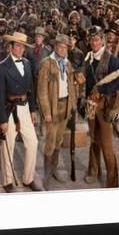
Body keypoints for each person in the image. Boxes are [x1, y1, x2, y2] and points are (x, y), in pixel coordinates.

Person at [0, 31, 44, 192]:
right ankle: (8, 180)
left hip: (25, 107)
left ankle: (28, 178)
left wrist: (33, 109)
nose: (21, 49)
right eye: (18, 45)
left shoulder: (28, 64)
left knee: (33, 143)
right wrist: (2, 120)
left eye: (23, 46)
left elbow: (31, 89)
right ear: (10, 47)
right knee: (8, 145)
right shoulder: (1, 68)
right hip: (9, 110)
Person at [37, 34, 77, 189]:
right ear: (55, 47)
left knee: (59, 140)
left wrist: (72, 106)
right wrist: (46, 111)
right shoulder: (47, 63)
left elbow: (71, 87)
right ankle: (46, 173)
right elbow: (41, 91)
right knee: (50, 141)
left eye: (65, 46)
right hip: (52, 109)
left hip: (64, 106)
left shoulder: (67, 64)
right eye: (60, 46)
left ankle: (54, 169)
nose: (62, 49)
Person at [83, 25, 119, 188]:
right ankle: (93, 171)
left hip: (105, 106)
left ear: (102, 40)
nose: (94, 42)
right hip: (91, 106)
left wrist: (102, 91)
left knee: (106, 146)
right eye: (91, 40)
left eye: (96, 39)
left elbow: (116, 82)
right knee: (93, 140)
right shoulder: (88, 57)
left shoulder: (111, 59)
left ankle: (112, 182)